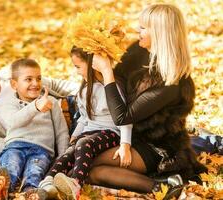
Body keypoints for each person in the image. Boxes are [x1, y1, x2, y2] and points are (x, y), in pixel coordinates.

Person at [87, 4, 207, 199]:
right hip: (129, 135)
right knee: (85, 164)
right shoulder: (138, 51)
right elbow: (116, 86)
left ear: (160, 33)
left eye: (143, 28)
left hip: (157, 147)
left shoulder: (170, 83)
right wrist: (107, 47)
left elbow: (122, 116)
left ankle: (163, 185)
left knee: (92, 167)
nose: (137, 31)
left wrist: (107, 71)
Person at [39, 47, 133, 200]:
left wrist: (125, 145)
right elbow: (84, 117)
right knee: (68, 153)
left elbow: (125, 120)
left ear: (92, 65)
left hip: (110, 132)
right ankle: (48, 183)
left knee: (83, 143)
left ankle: (75, 185)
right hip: (89, 132)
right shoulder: (84, 89)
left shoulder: (111, 88)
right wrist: (75, 134)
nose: (76, 71)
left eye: (77, 66)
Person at [0, 56, 78, 158]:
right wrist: (9, 145)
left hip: (68, 115)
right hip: (44, 148)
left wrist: (85, 91)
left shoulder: (12, 74)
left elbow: (55, 85)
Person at [0, 58, 69, 199]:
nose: (35, 83)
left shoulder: (50, 102)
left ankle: (30, 193)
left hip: (42, 150)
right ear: (14, 84)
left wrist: (62, 158)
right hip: (15, 146)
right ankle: (1, 190)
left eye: (38, 78)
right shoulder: (10, 103)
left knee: (35, 172)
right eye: (28, 79)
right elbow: (12, 122)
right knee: (12, 166)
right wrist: (35, 107)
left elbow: (61, 132)